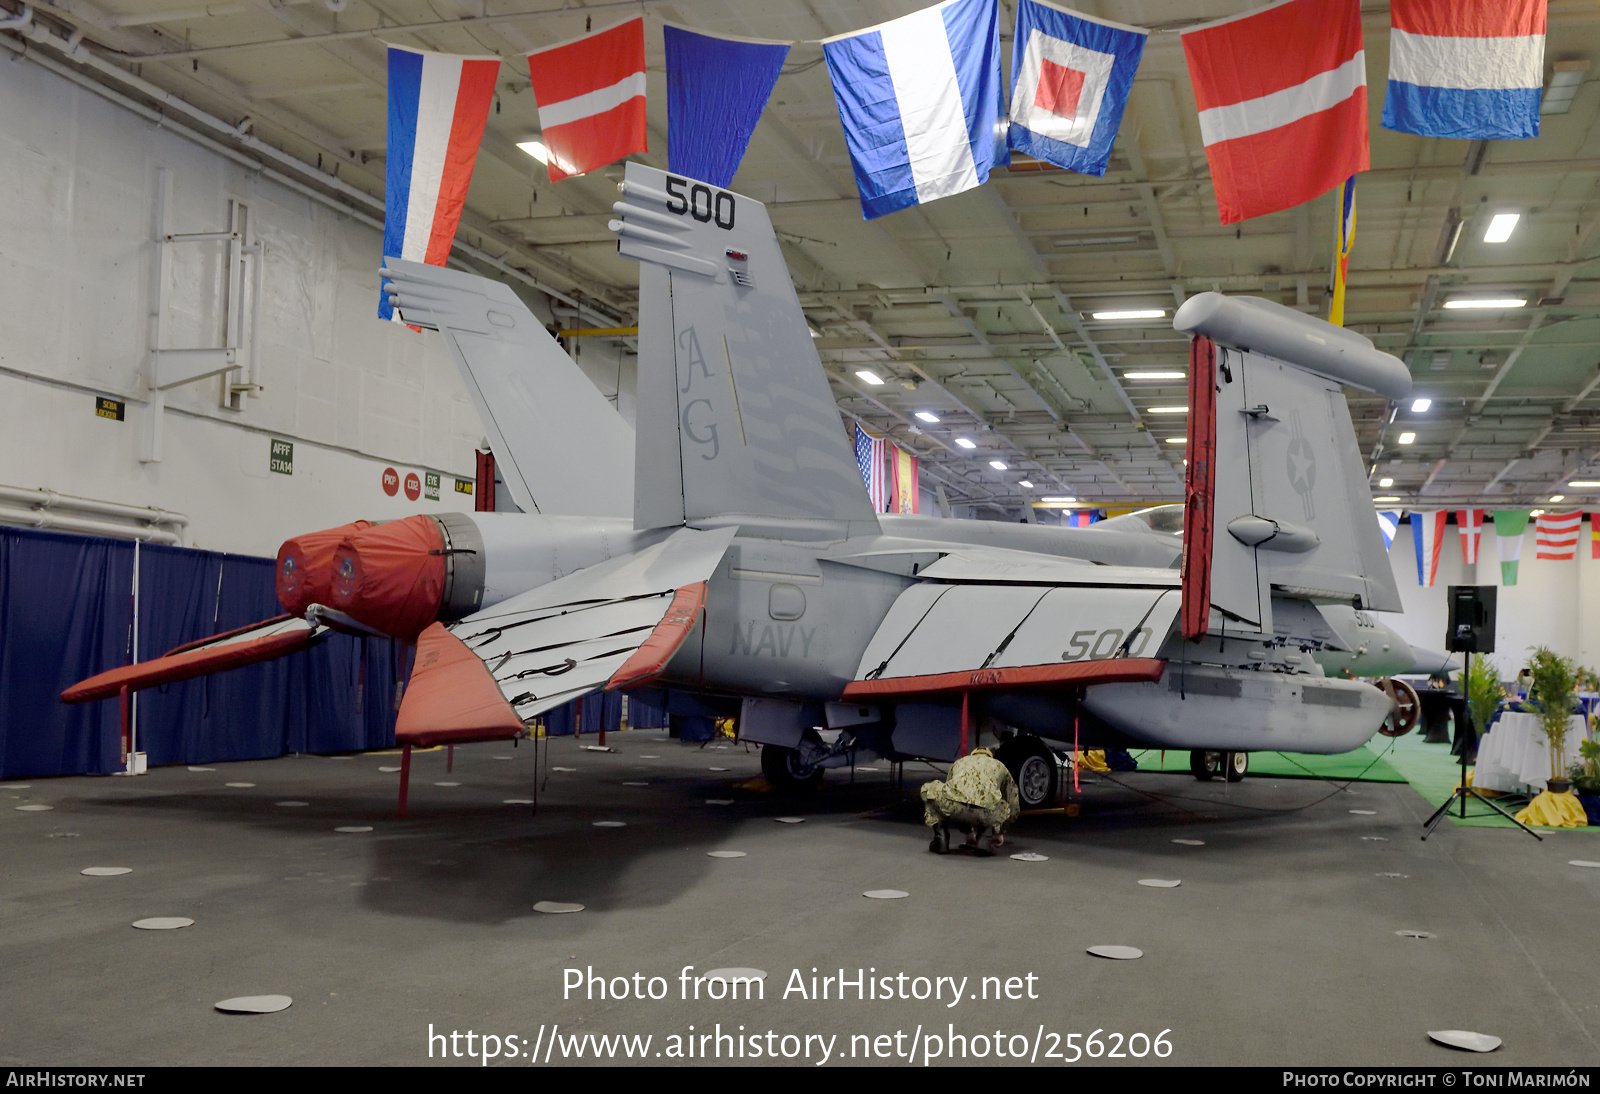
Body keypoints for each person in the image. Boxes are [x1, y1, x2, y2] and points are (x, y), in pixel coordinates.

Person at [920, 747, 1021, 856]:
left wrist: (968, 831)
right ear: (990, 756)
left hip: (954, 807)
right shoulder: (999, 766)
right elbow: (1014, 803)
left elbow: (953, 795)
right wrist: (1000, 830)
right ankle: (985, 839)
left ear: (972, 755)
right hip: (986, 814)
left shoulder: (959, 762)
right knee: (997, 804)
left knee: (929, 790)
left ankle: (941, 838)